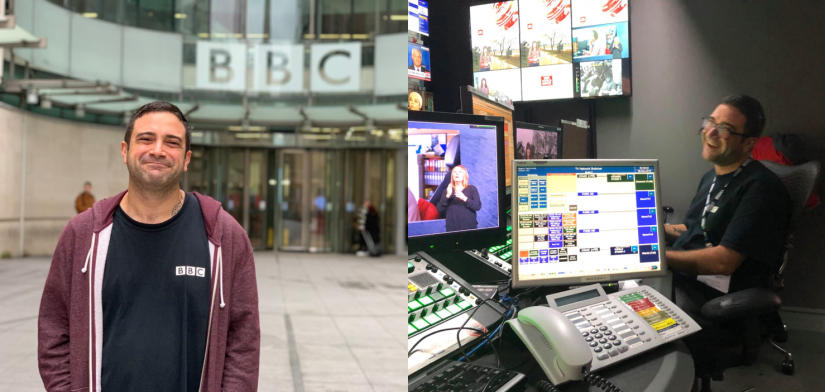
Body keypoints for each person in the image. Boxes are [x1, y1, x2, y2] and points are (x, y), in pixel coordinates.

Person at [38, 101, 260, 392]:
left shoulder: (224, 236)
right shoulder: (82, 235)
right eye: (145, 139)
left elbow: (243, 342)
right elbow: (54, 330)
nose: (158, 150)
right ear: (124, 150)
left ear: (186, 158)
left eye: (172, 142)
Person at [663, 96, 790, 372]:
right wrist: (653, 231)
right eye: (710, 122)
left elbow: (724, 261)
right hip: (685, 278)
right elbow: (698, 228)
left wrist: (659, 257)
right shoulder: (713, 176)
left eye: (725, 129)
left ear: (748, 143)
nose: (710, 132)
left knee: (642, 333)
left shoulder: (761, 188)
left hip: (714, 292)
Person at [437, 165, 481, 232]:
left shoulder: (472, 189)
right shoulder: (447, 190)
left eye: (460, 172)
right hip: (452, 228)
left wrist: (464, 198)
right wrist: (447, 195)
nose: (457, 173)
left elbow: (477, 206)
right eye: (454, 172)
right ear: (452, 176)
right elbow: (439, 209)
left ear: (464, 175)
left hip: (469, 227)